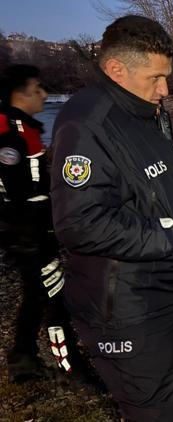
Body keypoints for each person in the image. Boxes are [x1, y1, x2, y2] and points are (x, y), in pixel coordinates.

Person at [50, 16, 173, 421]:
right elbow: (81, 223)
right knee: (152, 407)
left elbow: (149, 184)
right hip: (126, 305)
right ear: (116, 69)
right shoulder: (88, 124)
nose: (165, 89)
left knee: (158, 386)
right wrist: (169, 237)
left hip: (157, 291)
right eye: (155, 78)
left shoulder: (145, 109)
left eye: (166, 77)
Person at [0, 64, 98, 387]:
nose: (44, 94)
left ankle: (22, 360)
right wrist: (34, 234)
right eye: (38, 88)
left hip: (33, 230)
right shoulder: (9, 131)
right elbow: (17, 194)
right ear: (20, 93)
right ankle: (72, 369)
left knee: (35, 296)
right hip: (28, 233)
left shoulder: (26, 128)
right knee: (55, 295)